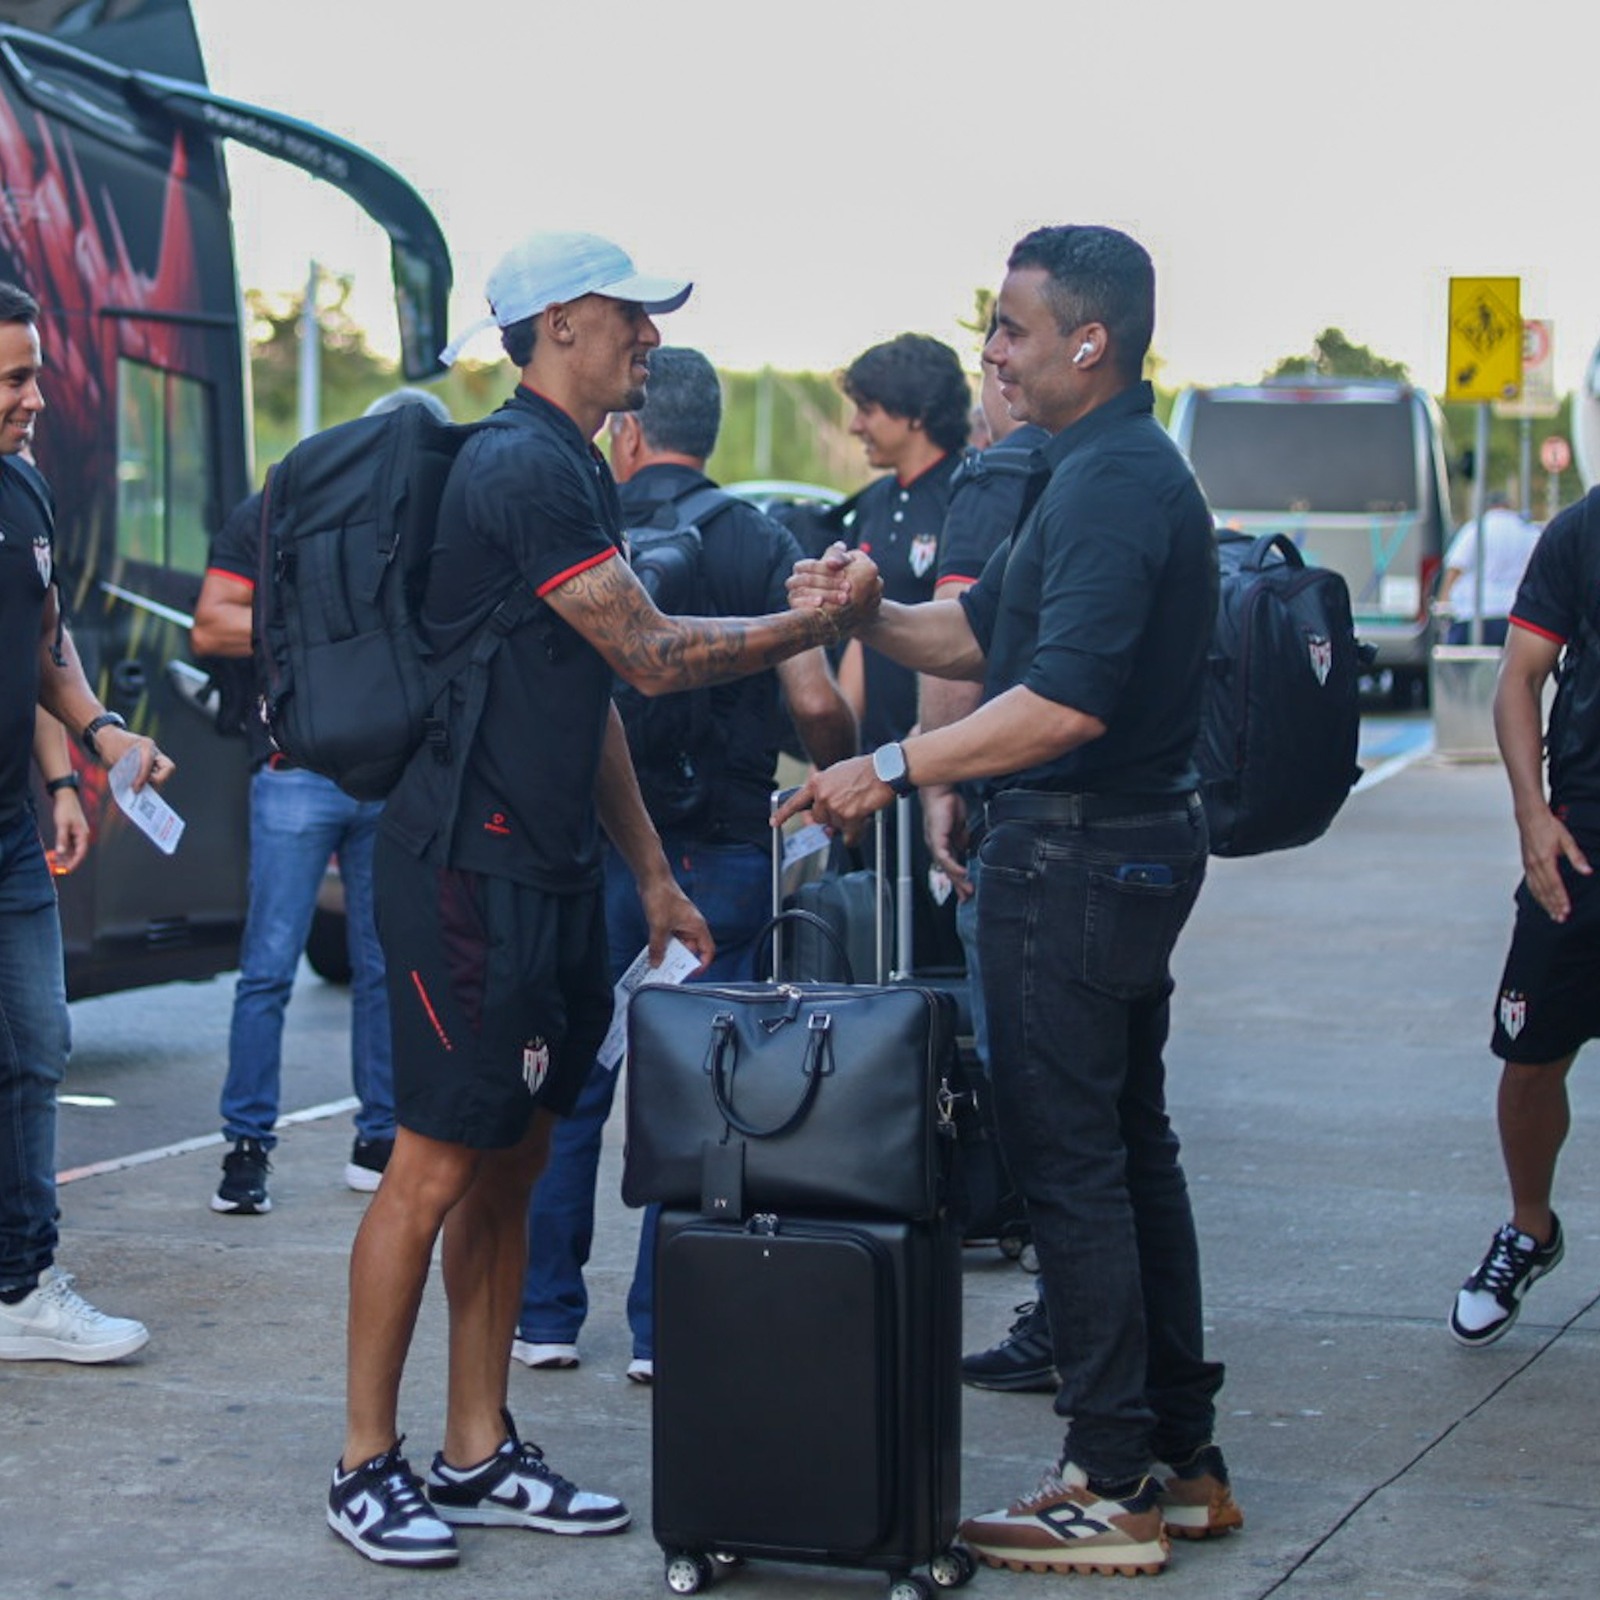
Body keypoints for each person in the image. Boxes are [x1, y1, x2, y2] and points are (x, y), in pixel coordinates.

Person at [327, 231, 880, 1570]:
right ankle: (362, 1465)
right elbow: (651, 649)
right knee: (435, 1163)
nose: (651, 336)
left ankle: (477, 1444)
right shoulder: (522, 464)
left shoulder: (575, 465)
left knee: (515, 1158)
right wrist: (812, 627)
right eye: (634, 314)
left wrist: (649, 873)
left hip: (554, 867)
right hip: (463, 865)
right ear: (562, 321)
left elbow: (591, 702)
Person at [781, 225, 1240, 1576]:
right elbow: (987, 643)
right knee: (1124, 1150)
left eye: (1012, 326)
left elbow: (1060, 707)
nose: (990, 349)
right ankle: (1181, 1457)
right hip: (1111, 850)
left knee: (1071, 1167)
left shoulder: (1112, 483)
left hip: (1082, 855)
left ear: (1087, 341)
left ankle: (1108, 1478)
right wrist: (864, 616)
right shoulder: (1095, 468)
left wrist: (889, 762)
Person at [513, 346, 857, 1384]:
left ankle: (544, 1315)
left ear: (630, 429)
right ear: (708, 433)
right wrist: (842, 778)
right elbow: (811, 702)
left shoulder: (596, 531)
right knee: (704, 1092)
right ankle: (667, 1328)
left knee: (575, 1084)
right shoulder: (761, 538)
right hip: (719, 855)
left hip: (605, 846)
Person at [190, 392, 442, 1215]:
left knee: (379, 964)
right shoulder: (282, 504)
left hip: (387, 773)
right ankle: (246, 1146)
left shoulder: (425, 516)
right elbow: (210, 624)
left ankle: (376, 1137)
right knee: (268, 966)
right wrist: (319, 614)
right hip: (297, 768)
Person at [0, 279, 173, 1364]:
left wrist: (96, 746)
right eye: (14, 379)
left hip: (9, 831)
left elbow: (44, 640)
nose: (36, 398)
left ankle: (22, 1286)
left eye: (33, 372)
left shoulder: (25, 490)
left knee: (35, 1044)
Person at [917, 351, 1056, 1395]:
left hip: (1026, 819)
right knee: (1104, 1104)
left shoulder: (998, 476)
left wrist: (928, 783)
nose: (990, 369)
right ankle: (1087, 1316)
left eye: (1003, 341)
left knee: (1037, 1091)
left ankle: (1073, 1325)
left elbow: (955, 652)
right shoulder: (1131, 474)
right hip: (1121, 825)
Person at [1448, 485, 1600, 1347]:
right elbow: (1521, 677)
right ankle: (1530, 1228)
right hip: (1584, 840)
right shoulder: (1581, 531)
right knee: (1532, 1058)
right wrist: (1531, 816)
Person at [837, 332, 971, 969]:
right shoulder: (878, 503)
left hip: (935, 766)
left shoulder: (965, 496)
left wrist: (920, 754)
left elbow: (968, 638)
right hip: (879, 771)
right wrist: (840, 755)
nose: (856, 423)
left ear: (914, 413)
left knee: (939, 953)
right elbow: (865, 632)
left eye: (869, 407)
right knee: (883, 949)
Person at [1436, 491, 1540, 647]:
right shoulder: (1528, 532)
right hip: (1517, 615)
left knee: (1464, 668)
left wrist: (1443, 602)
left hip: (1476, 613)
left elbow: (1455, 568)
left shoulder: (1475, 529)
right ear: (1509, 506)